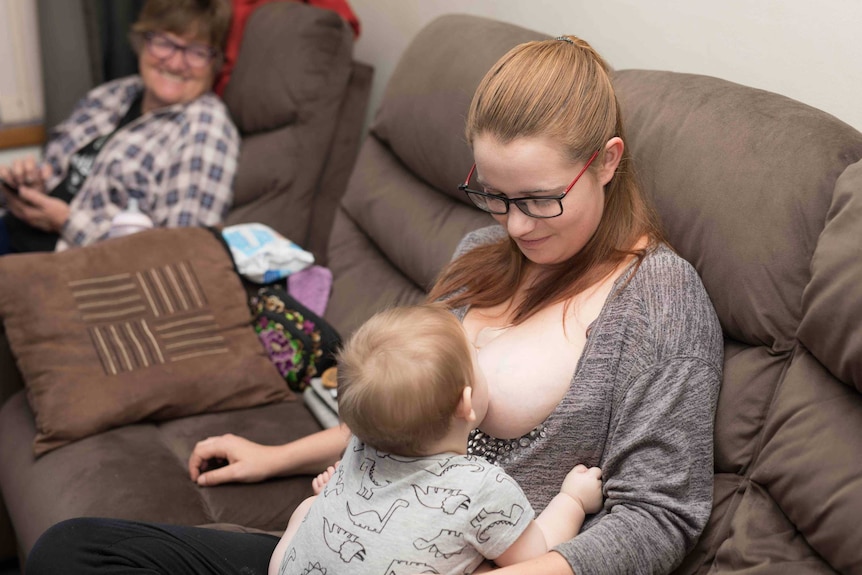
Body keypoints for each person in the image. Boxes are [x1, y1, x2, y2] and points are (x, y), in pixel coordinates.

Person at [26, 33, 722, 575]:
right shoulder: (479, 254)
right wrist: (277, 456)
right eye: (497, 195)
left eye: (539, 199)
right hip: (350, 547)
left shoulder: (657, 296)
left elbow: (658, 514)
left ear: (605, 161)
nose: (516, 225)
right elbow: (406, 408)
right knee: (75, 550)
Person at [269, 304, 603, 575]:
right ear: (467, 404)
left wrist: (335, 496)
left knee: (309, 507)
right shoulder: (483, 488)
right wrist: (572, 500)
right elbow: (536, 553)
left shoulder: (362, 443)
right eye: (476, 356)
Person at [0, 0, 238, 255]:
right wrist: (31, 187)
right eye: (164, 42)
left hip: (60, 266)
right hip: (13, 229)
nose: (176, 63)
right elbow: (60, 177)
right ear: (143, 42)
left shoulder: (206, 128)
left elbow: (177, 253)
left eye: (197, 52)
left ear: (215, 63)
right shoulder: (110, 95)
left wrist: (66, 221)